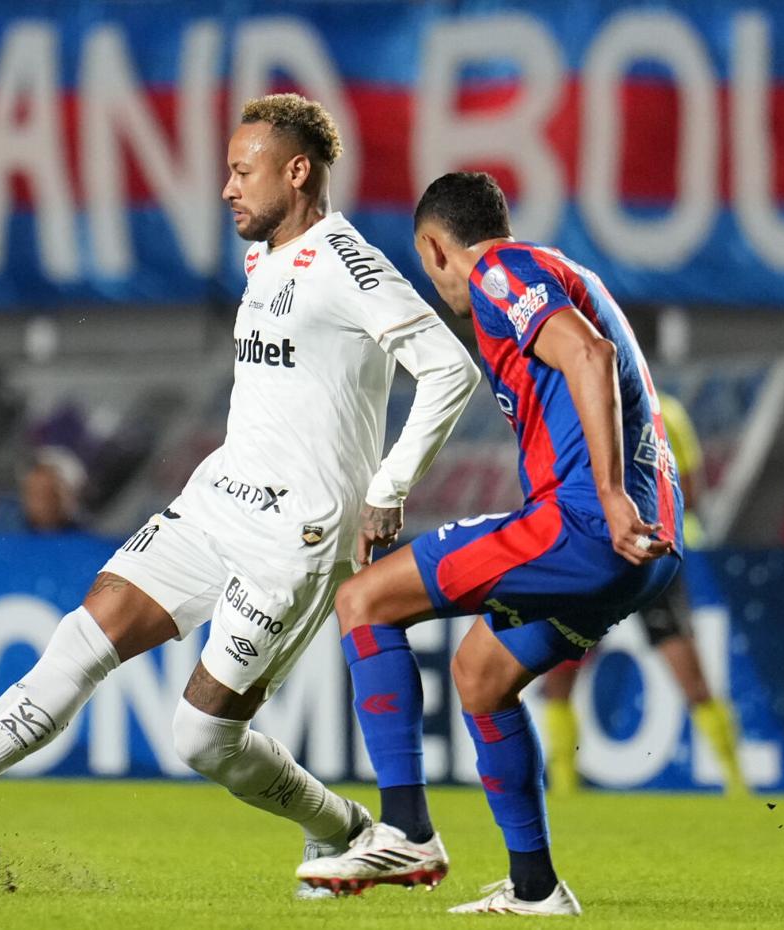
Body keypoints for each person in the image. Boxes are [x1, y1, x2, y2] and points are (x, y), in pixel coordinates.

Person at [0, 95, 481, 897]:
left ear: (297, 170)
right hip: (218, 500)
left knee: (201, 738)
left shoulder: (346, 263)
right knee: (81, 636)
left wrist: (390, 485)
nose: (228, 188)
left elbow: (451, 368)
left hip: (298, 533)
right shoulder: (265, 258)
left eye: (243, 171)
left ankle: (346, 828)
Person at [298, 172, 682, 916]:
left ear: (438, 249)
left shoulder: (503, 273)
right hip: (646, 548)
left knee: (364, 599)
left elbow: (591, 356)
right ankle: (536, 889)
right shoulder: (563, 271)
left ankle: (407, 828)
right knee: (480, 674)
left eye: (426, 263)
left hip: (590, 527)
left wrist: (606, 498)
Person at [540, 392, 747, 798]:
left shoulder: (663, 413)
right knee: (561, 669)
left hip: (643, 554)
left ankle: (738, 783)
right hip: (603, 553)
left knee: (688, 673)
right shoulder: (583, 407)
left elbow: (687, 487)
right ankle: (564, 786)